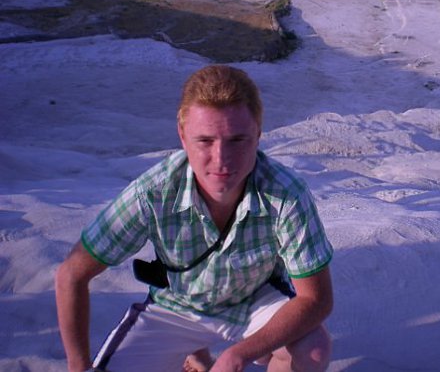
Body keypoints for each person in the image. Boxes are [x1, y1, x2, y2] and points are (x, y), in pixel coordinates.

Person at [55, 65, 334, 372]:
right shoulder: (153, 192)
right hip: (176, 306)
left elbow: (316, 300)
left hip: (254, 299)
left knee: (313, 350)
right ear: (182, 135)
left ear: (258, 134)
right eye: (205, 141)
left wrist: (238, 354)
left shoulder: (287, 193)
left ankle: (204, 353)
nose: (221, 159)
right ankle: (197, 352)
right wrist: (78, 367)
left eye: (237, 140)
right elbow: (71, 275)